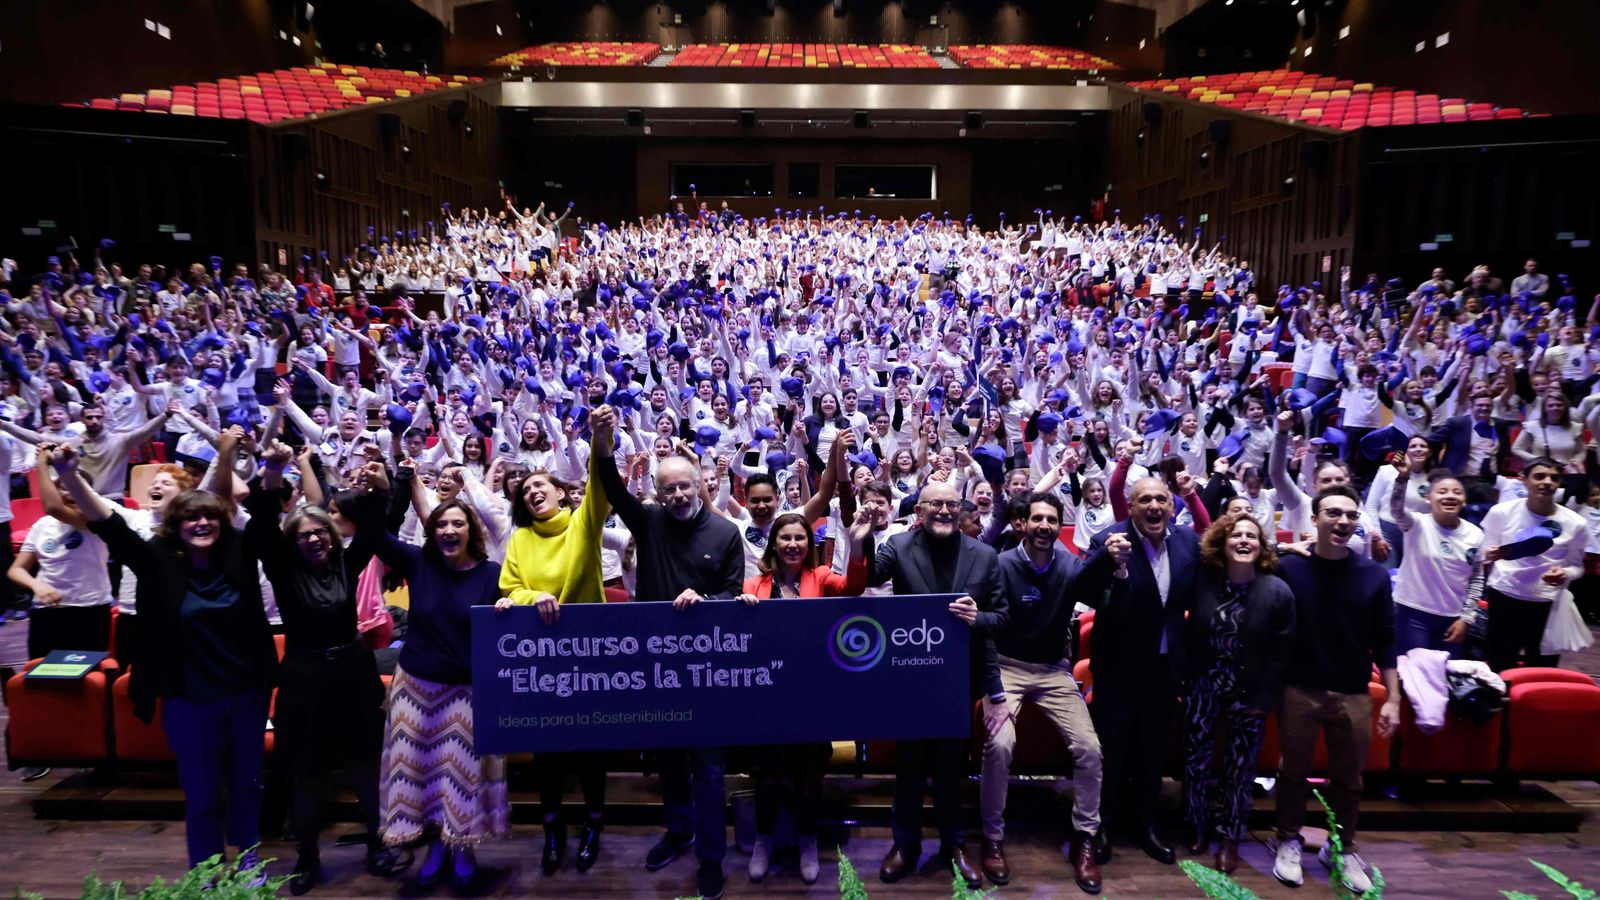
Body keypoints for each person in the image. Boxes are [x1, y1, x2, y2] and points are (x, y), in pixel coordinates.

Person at [52, 433, 278, 878]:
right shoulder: (157, 559)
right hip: (189, 701)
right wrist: (67, 475)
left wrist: (251, 462)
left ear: (221, 520)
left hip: (245, 695)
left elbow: (265, 516)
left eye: (208, 517)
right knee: (202, 792)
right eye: (190, 518)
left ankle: (250, 859)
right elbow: (106, 522)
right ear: (176, 525)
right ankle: (207, 872)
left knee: (249, 785)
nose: (201, 524)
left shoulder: (237, 550)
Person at [251, 442, 411, 894]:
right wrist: (273, 470)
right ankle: (307, 857)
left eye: (320, 531)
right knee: (308, 770)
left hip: (352, 672)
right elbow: (263, 524)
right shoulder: (283, 571)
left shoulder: (348, 560)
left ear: (332, 535)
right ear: (292, 542)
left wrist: (383, 486)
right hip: (304, 679)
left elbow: (376, 527)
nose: (314, 539)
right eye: (303, 535)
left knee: (365, 763)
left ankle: (379, 844)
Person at [592, 444, 744, 900]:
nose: (678, 494)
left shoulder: (725, 532)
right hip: (658, 668)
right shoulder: (650, 521)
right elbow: (614, 489)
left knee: (710, 770)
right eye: (668, 488)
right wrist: (602, 442)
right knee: (670, 761)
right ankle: (680, 830)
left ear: (699, 485)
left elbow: (735, 597)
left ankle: (712, 857)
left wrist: (706, 601)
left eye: (685, 485)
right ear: (657, 494)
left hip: (707, 671)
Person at [363, 464, 509, 891]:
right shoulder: (419, 561)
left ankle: (462, 848)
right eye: (441, 523)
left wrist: (514, 603)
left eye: (457, 523)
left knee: (459, 778)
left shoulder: (491, 576)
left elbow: (513, 615)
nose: (448, 529)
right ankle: (436, 847)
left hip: (466, 692)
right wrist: (380, 494)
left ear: (472, 530)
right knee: (422, 775)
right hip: (416, 689)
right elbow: (373, 538)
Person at [864, 478, 1008, 889]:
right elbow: (866, 576)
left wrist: (976, 618)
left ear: (960, 509)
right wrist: (861, 535)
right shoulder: (898, 547)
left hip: (956, 683)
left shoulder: (984, 555)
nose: (943, 512)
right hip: (911, 676)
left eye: (950, 505)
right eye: (934, 505)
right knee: (908, 767)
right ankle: (905, 845)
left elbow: (1002, 617)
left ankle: (953, 845)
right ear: (920, 512)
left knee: (950, 771)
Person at [494, 406, 615, 877]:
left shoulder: (585, 522)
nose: (533, 491)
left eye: (541, 485)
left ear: (562, 493)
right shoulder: (521, 539)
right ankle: (551, 828)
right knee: (547, 751)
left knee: (590, 750)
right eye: (526, 490)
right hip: (543, 658)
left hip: (589, 657)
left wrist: (599, 439)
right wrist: (534, 597)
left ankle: (594, 824)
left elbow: (600, 484)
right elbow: (510, 588)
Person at [981, 491, 1117, 892]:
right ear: (1024, 522)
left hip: (1055, 671)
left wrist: (1116, 566)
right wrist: (992, 689)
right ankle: (992, 837)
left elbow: (1105, 597)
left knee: (1090, 749)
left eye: (1051, 520)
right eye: (1037, 519)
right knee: (1000, 744)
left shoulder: (1073, 566)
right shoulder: (1001, 564)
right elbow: (988, 628)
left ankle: (1085, 837)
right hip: (1007, 667)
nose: (1044, 526)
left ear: (1061, 525)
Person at [1271, 485, 1399, 893]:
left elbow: (1386, 639)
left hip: (1353, 691)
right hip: (1299, 687)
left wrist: (1393, 698)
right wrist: (1280, 548)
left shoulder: (1374, 576)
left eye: (1350, 514)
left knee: (1349, 777)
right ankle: (1287, 838)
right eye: (1333, 513)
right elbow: (1241, 559)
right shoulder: (1290, 568)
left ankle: (1340, 847)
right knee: (1293, 771)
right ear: (1314, 520)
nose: (1343, 521)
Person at [733, 511, 871, 885]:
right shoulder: (753, 585)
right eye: (785, 538)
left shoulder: (821, 578)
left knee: (809, 777)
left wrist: (856, 543)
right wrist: (740, 610)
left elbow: (855, 587)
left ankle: (808, 841)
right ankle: (763, 841)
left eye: (800, 538)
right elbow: (742, 642)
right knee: (765, 776)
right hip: (767, 698)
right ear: (773, 543)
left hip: (812, 695)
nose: (793, 544)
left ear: (808, 545)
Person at [1087, 476, 1199, 865]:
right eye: (1145, 500)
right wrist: (1106, 561)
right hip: (1119, 665)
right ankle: (1101, 825)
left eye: (1161, 500)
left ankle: (1146, 824)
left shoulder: (1187, 541)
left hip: (1166, 665)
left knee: (1151, 749)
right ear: (1130, 506)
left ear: (1171, 506)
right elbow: (1085, 590)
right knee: (1112, 749)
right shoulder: (1108, 539)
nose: (1154, 506)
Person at [1181, 512, 1295, 875]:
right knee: (1195, 761)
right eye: (1236, 535)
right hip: (1204, 685)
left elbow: (1282, 654)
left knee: (1240, 769)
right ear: (1222, 542)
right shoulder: (1203, 578)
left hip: (1250, 693)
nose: (1244, 540)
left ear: (1262, 547)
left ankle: (1230, 837)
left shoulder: (1276, 590)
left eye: (1252, 536)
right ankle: (1195, 824)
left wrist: (1264, 701)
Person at [1477, 457, 1593, 671]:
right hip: (1505, 595)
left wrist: (1565, 573)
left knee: (1542, 668)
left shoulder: (1576, 523)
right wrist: (1491, 554)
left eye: (1554, 478)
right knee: (1500, 665)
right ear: (1524, 480)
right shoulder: (1501, 512)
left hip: (1547, 603)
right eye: (1539, 476)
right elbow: (1483, 554)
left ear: (1559, 484)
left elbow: (1578, 567)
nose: (1547, 482)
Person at [1388, 460, 1484, 656]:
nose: (1450, 496)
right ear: (1428, 498)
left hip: (1452, 618)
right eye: (1442, 492)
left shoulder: (1475, 534)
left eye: (1457, 492)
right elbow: (1396, 509)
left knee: (1445, 677)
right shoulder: (1416, 524)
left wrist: (1466, 618)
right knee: (1413, 675)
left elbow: (1476, 579)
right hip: (1413, 613)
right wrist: (1403, 478)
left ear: (1464, 501)